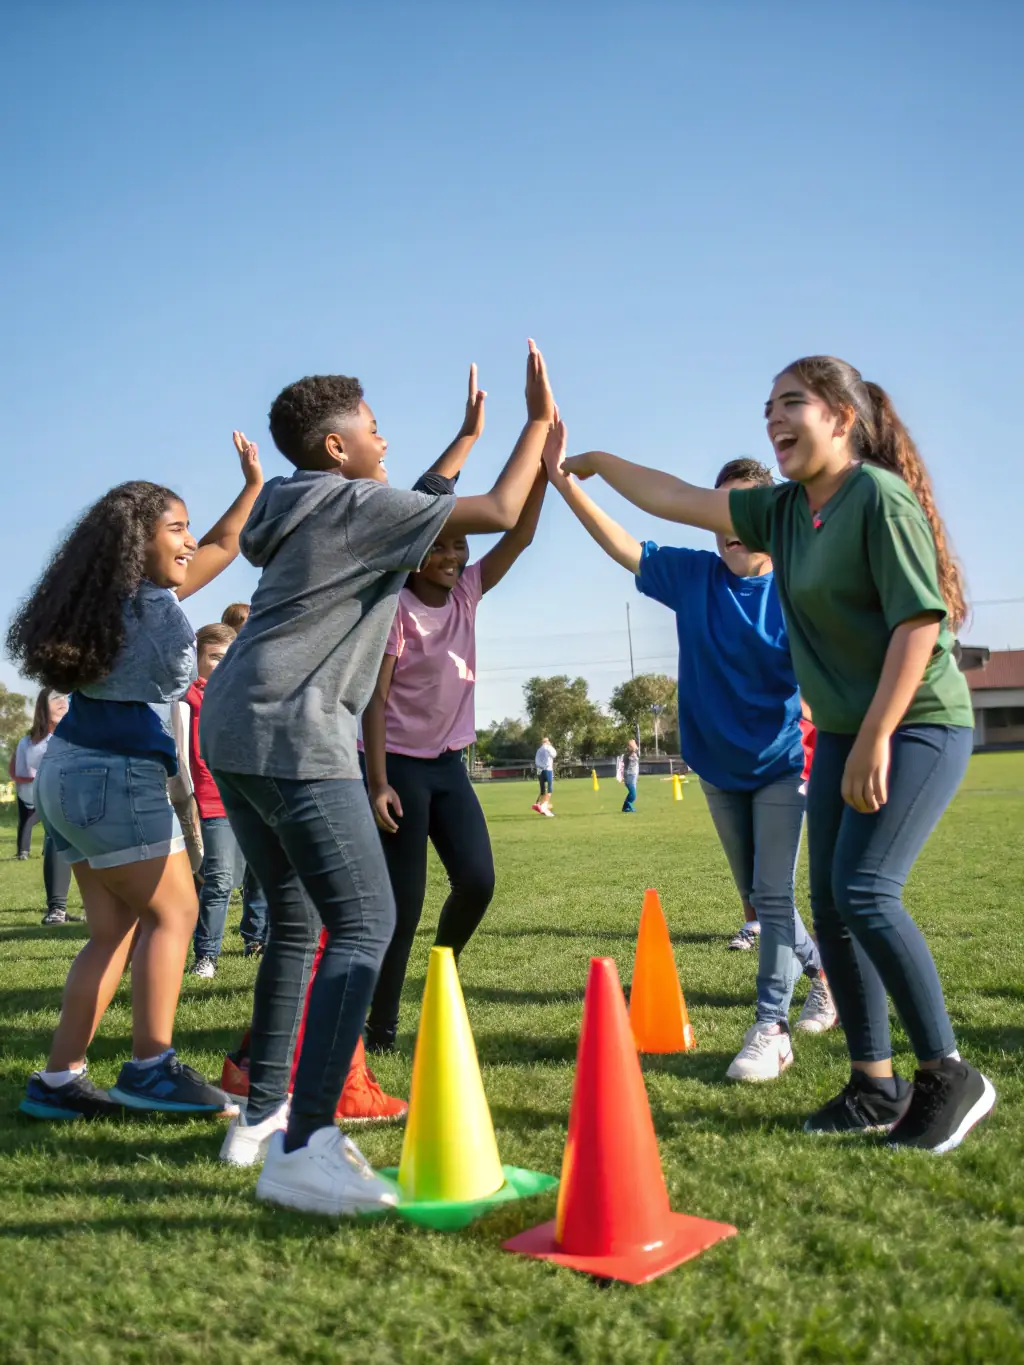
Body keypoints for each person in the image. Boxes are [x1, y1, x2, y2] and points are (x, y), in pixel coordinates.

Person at [557, 355, 994, 1152]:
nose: (775, 419)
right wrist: (587, 462)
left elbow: (918, 622)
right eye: (767, 408)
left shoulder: (879, 499)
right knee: (826, 907)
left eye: (792, 403)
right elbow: (679, 499)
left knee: (866, 890)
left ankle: (951, 1073)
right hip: (844, 735)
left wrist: (872, 737)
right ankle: (873, 1083)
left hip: (917, 721)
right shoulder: (788, 510)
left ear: (842, 416)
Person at [201, 347, 555, 1214]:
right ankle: (306, 1144)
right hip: (294, 728)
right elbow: (502, 509)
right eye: (371, 428)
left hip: (234, 728)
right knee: (367, 923)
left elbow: (425, 499)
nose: (383, 437)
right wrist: (537, 419)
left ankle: (263, 1114)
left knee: (295, 921)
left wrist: (468, 436)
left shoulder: (304, 504)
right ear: (335, 446)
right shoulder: (355, 506)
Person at [545, 436, 833, 1080]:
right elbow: (624, 545)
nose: (727, 528)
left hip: (784, 763)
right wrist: (568, 487)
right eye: (717, 514)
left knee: (773, 896)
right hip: (716, 768)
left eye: (743, 514)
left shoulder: (797, 591)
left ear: (767, 521)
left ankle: (770, 1026)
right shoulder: (693, 577)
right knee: (762, 901)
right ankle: (825, 975)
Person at [8, 432, 264, 1121]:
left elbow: (217, 546)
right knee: (176, 913)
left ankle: (58, 1078)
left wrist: (251, 486)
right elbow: (196, 586)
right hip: (114, 774)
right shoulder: (152, 610)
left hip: (70, 770)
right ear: (138, 542)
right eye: (174, 528)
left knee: (113, 928)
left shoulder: (110, 595)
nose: (187, 540)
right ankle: (151, 1067)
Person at [361, 464, 548, 1054]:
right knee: (405, 904)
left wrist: (543, 475)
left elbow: (518, 533)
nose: (451, 555)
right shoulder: (394, 611)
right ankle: (381, 1026)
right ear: (413, 551)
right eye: (437, 545)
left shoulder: (467, 591)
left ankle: (442, 972)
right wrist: (377, 782)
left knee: (478, 881)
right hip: (400, 769)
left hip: (448, 765)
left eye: (459, 543)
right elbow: (375, 698)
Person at [183, 623, 268, 977]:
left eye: (228, 656)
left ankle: (256, 940)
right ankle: (206, 955)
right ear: (198, 658)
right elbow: (184, 756)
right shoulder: (189, 697)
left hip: (253, 798)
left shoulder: (245, 694)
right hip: (213, 801)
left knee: (259, 875)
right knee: (218, 880)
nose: (222, 663)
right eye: (215, 657)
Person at [12, 689, 75, 924]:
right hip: (52, 801)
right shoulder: (29, 742)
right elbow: (22, 776)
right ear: (42, 706)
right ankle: (56, 909)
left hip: (85, 801)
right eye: (54, 699)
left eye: (65, 698)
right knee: (55, 838)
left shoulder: (80, 733)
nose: (62, 702)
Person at [533, 736, 556, 816]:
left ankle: (538, 804)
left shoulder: (538, 750)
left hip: (539, 770)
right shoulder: (548, 748)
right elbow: (554, 754)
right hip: (547, 769)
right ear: (547, 741)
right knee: (549, 790)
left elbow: (536, 761)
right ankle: (544, 806)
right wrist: (550, 746)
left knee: (543, 790)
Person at [620, 737, 640, 813]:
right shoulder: (628, 755)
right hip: (629, 776)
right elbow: (630, 755)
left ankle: (625, 808)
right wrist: (633, 749)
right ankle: (629, 806)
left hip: (633, 775)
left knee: (633, 794)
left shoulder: (634, 754)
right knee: (633, 794)